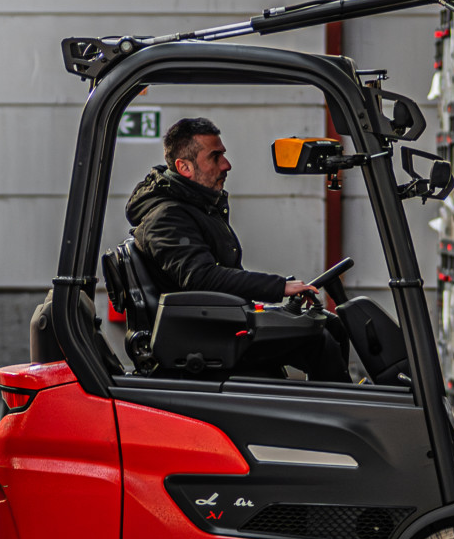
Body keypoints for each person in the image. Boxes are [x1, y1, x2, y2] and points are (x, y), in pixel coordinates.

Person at [126, 116, 346, 380]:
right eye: (215, 157)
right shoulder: (167, 217)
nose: (226, 164)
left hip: (217, 323)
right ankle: (343, 405)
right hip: (206, 336)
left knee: (330, 324)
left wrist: (276, 294)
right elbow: (201, 277)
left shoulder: (196, 208)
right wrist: (279, 287)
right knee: (319, 341)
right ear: (184, 166)